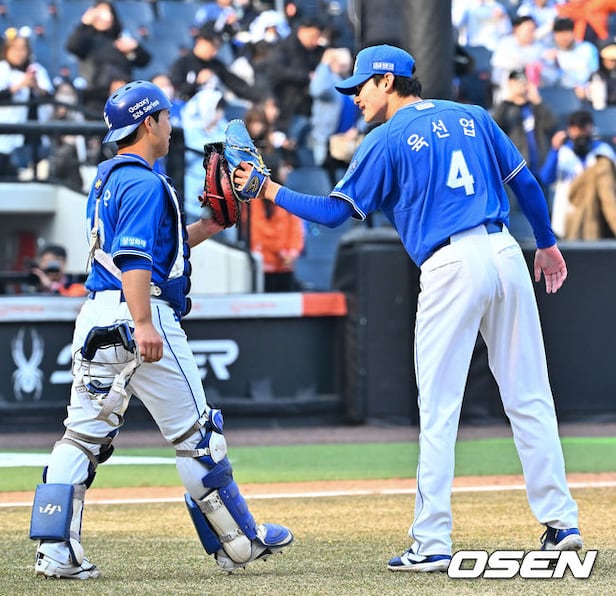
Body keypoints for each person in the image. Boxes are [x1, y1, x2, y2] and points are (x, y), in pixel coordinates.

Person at [233, 44, 582, 572]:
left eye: (360, 86)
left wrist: (267, 188)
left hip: (451, 263)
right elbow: (527, 184)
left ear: (388, 81)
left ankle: (432, 541)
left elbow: (333, 214)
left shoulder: (386, 137)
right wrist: (548, 243)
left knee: (438, 410)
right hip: (506, 251)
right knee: (530, 395)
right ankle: (562, 523)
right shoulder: (473, 116)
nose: (355, 98)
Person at [28, 80, 293, 579]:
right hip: (139, 312)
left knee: (81, 438)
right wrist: (145, 323)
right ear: (149, 122)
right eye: (167, 117)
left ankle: (55, 552)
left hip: (97, 316)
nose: (172, 126)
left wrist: (208, 228)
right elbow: (134, 260)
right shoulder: (146, 184)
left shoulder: (110, 178)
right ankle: (238, 543)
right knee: (198, 437)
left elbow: (152, 250)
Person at [65, 1, 152, 116]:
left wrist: (136, 48)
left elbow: (145, 61)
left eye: (107, 12)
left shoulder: (121, 41)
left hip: (125, 98)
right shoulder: (87, 40)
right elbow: (73, 47)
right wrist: (84, 24)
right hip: (96, 98)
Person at [539, 108, 616, 237]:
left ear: (590, 128)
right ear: (570, 130)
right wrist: (554, 151)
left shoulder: (603, 151)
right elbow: (546, 179)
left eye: (583, 129)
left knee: (603, 166)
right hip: (569, 213)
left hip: (597, 215)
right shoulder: (562, 152)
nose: (580, 137)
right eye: (577, 130)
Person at [0, 26, 54, 178]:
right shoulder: (2, 69)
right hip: (6, 133)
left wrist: (34, 85)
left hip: (33, 133)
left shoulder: (36, 69)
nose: (19, 53)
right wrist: (19, 85)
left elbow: (50, 96)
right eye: (15, 49)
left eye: (23, 49)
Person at [491, 69, 558, 180]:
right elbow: (494, 126)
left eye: (523, 81)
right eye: (516, 82)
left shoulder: (535, 107)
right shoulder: (506, 108)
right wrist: (508, 100)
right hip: (517, 169)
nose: (521, 85)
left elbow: (551, 125)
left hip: (539, 168)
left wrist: (537, 101)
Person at [540, 17, 599, 97]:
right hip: (559, 94)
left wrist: (583, 86)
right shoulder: (548, 53)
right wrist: (551, 63)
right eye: (560, 34)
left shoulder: (588, 48)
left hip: (587, 92)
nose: (564, 38)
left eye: (567, 33)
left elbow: (594, 73)